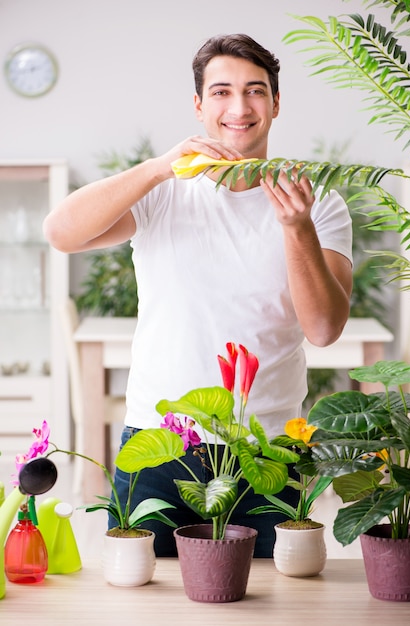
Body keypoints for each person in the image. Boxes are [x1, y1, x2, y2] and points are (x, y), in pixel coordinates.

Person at [43, 33, 353, 557]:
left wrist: (296, 228)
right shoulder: (162, 191)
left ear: (276, 103)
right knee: (147, 596)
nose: (239, 107)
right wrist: (161, 166)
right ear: (199, 105)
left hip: (268, 449)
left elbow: (323, 330)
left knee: (273, 602)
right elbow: (61, 233)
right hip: (159, 444)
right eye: (221, 92)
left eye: (255, 91)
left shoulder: (316, 200)